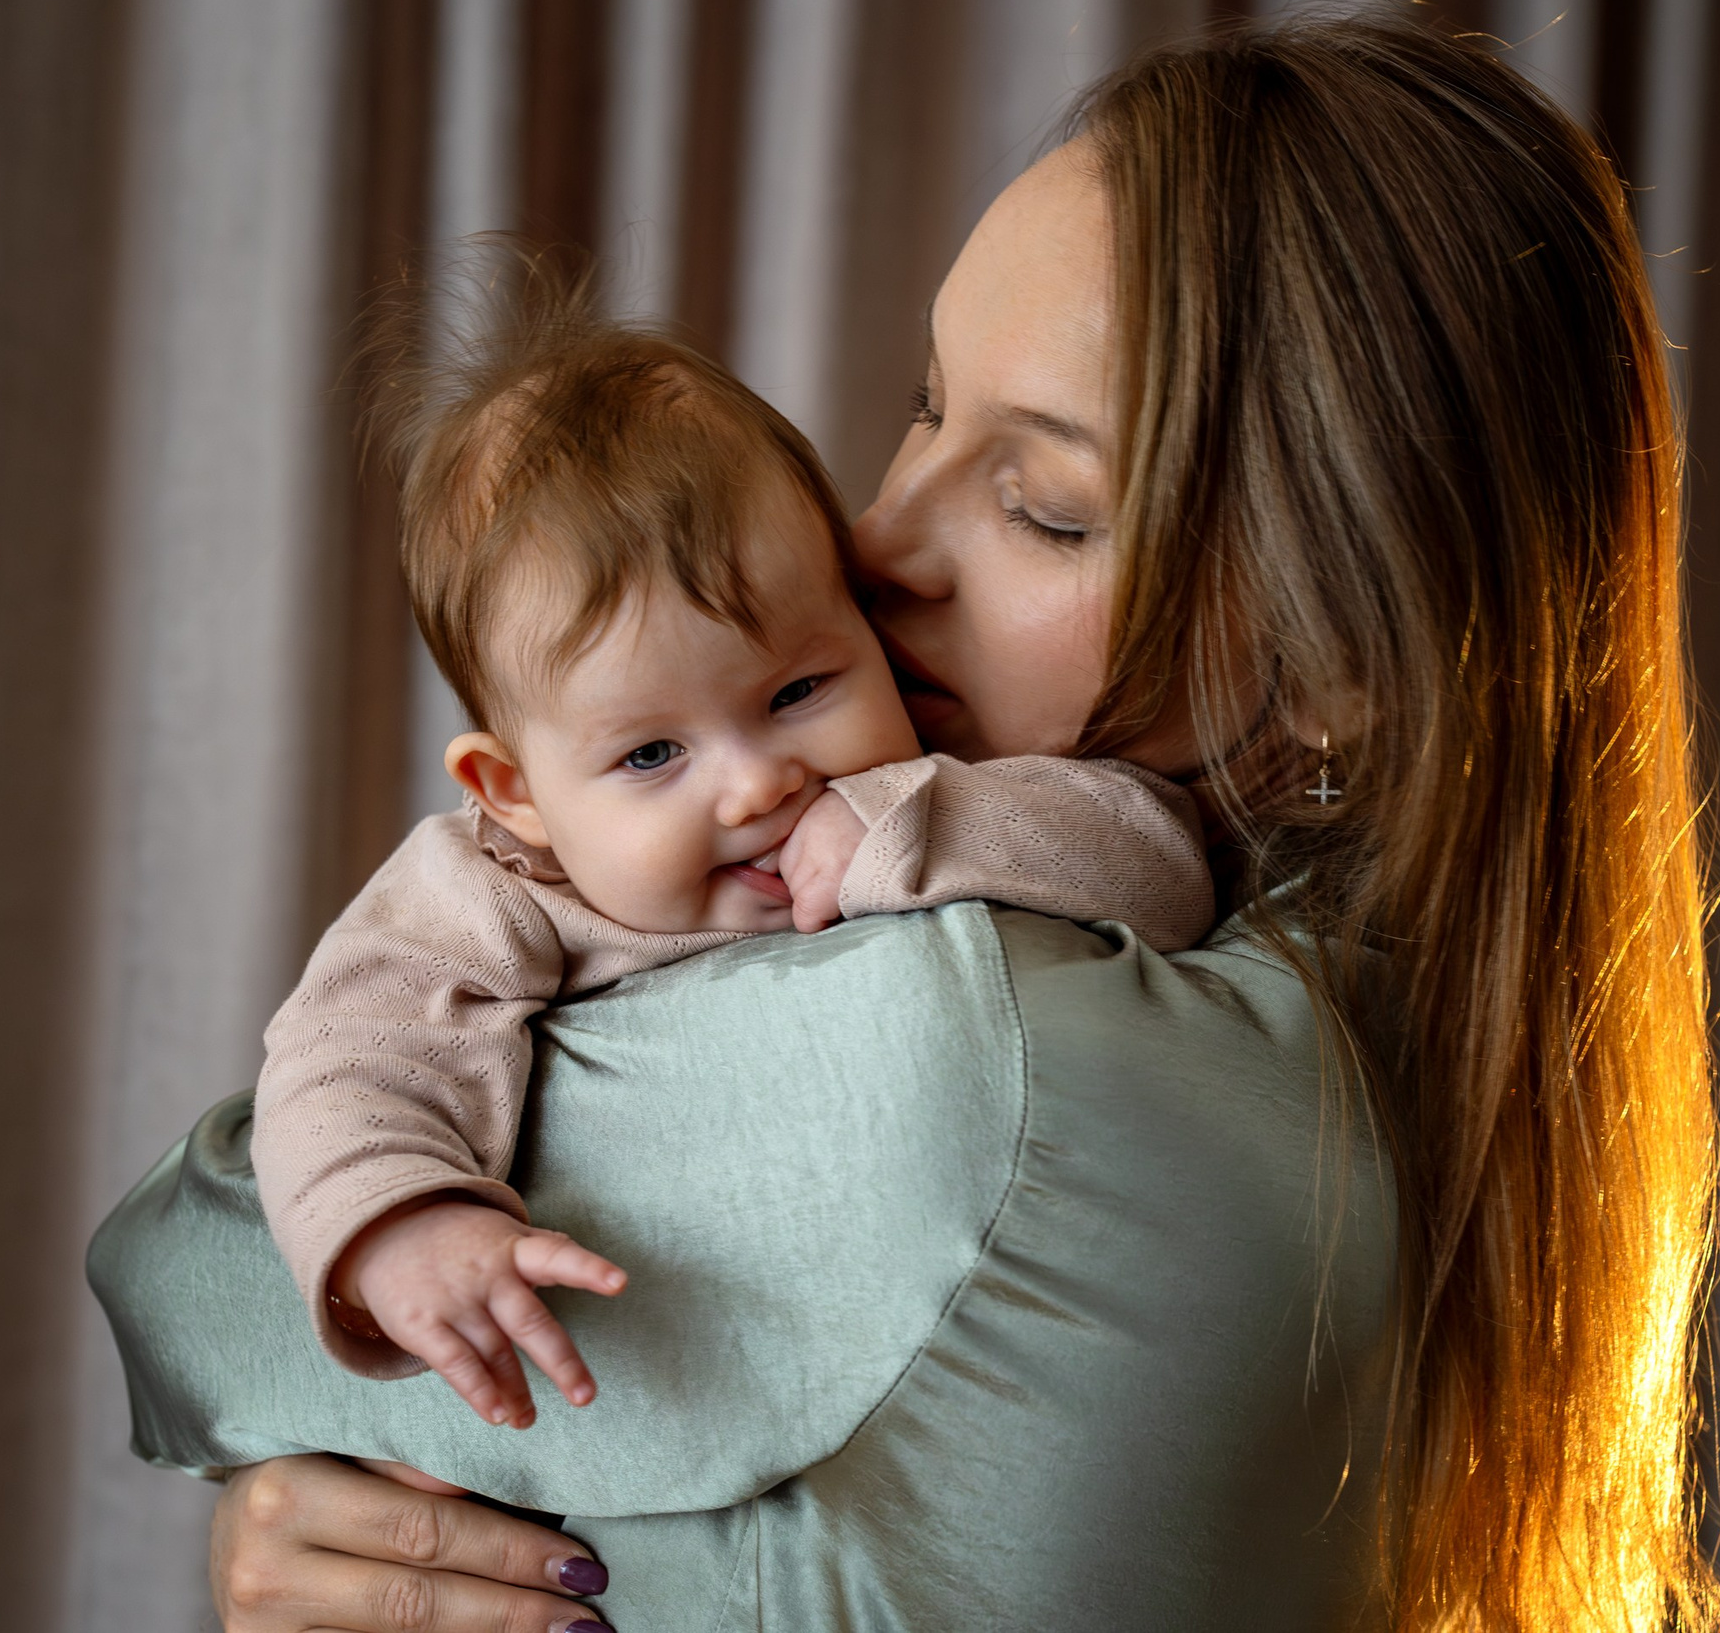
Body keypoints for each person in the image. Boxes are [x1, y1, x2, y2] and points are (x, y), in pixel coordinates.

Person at [89, 10, 1720, 1633]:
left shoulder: (989, 1036)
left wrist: (309, 1465)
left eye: (1045, 507)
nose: (877, 541)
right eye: (928, 402)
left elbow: (180, 1271)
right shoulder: (1411, 1058)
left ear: (1343, 667)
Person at [256, 296, 1211, 1423]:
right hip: (642, 1376)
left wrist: (907, 826)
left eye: (799, 692)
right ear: (514, 794)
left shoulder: (939, 782)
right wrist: (400, 1223)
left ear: (864, 629)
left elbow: (1159, 861)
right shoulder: (488, 887)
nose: (760, 785)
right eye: (653, 753)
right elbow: (347, 1055)